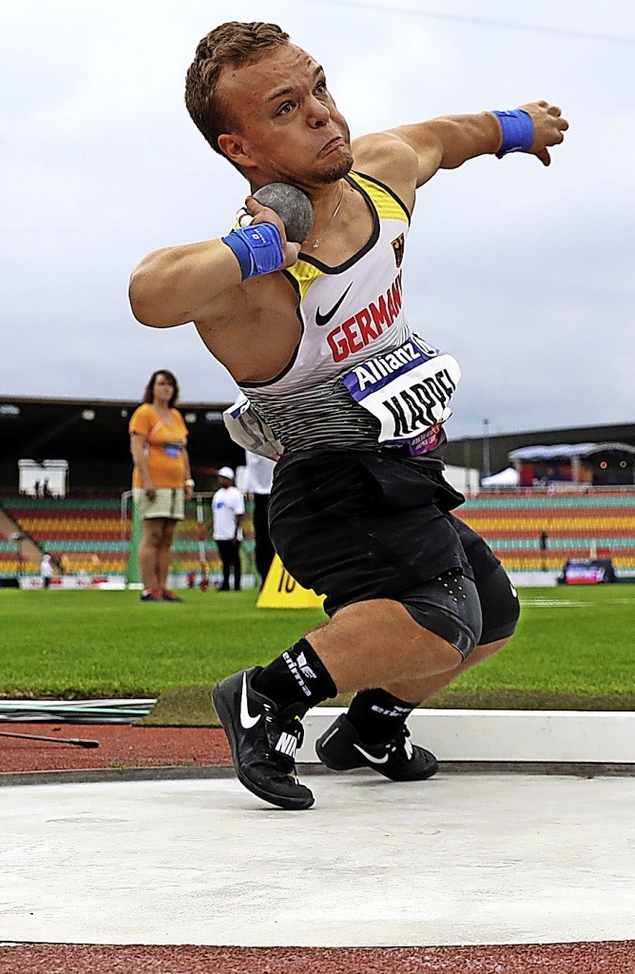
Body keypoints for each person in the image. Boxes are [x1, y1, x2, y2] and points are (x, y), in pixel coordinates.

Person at [129, 21, 568, 809]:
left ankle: (372, 724)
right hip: (328, 489)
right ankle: (266, 695)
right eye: (287, 108)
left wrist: (516, 129)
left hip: (404, 470)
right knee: (442, 614)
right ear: (241, 148)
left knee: (494, 613)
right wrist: (255, 250)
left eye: (320, 88)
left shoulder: (380, 175)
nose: (324, 113)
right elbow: (149, 292)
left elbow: (445, 136)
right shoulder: (256, 286)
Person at [129, 369, 194, 602]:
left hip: (175, 484)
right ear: (152, 388)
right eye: (161, 384)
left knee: (167, 537)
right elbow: (137, 448)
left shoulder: (176, 416)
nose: (166, 388)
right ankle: (149, 587)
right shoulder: (144, 413)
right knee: (153, 534)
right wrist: (147, 479)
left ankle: (163, 586)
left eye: (170, 384)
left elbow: (182, 450)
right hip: (153, 484)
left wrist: (187, 479)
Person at [243, 450, 276, 585]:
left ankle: (272, 578)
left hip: (273, 490)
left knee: (270, 539)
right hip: (263, 494)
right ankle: (265, 578)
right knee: (263, 540)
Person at [211, 466, 245, 591]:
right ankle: (225, 584)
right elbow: (215, 514)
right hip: (220, 533)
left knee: (235, 561)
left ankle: (237, 584)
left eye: (223, 477)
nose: (221, 480)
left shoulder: (236, 494)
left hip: (231, 534)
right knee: (225, 560)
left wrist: (236, 533)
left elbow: (239, 514)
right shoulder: (218, 495)